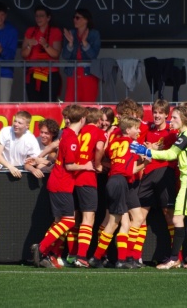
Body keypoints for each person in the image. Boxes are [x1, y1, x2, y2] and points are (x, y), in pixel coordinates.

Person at [131, 106, 187, 269]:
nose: (171, 120)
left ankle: (175, 258)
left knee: (178, 219)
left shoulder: (186, 135)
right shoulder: (184, 134)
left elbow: (170, 154)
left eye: (174, 118)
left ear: (184, 119)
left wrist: (147, 151)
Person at [31, 105, 94, 269]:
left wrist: (47, 160)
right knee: (68, 221)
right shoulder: (71, 137)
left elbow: (59, 154)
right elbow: (70, 165)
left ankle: (48, 254)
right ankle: (42, 247)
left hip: (58, 181)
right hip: (62, 183)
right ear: (82, 119)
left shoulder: (66, 133)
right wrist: (86, 166)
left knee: (59, 221)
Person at [88, 117, 147, 269]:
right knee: (114, 223)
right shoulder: (133, 144)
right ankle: (98, 257)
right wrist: (145, 163)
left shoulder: (114, 142)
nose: (139, 130)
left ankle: (126, 258)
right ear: (128, 130)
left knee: (132, 220)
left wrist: (101, 164)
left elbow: (107, 153)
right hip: (120, 182)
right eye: (136, 128)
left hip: (116, 182)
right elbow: (132, 169)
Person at [136, 99, 178, 265]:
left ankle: (176, 257)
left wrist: (155, 149)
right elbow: (138, 149)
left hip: (165, 175)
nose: (157, 115)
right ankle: (135, 255)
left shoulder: (171, 133)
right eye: (155, 112)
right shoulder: (147, 129)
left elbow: (173, 153)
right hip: (147, 176)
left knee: (169, 216)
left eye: (160, 113)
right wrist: (144, 153)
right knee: (139, 216)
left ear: (167, 115)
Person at [70, 107, 105, 267]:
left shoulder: (80, 132)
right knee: (88, 218)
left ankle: (72, 255)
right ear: (98, 121)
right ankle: (81, 256)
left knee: (75, 218)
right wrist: (97, 164)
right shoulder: (98, 132)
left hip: (75, 176)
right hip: (87, 178)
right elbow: (98, 148)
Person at [21, 5, 62, 102]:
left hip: (50, 73)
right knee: (34, 104)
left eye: (41, 16)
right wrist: (29, 46)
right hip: (33, 73)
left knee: (50, 103)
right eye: (37, 16)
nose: (38, 18)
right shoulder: (30, 31)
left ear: (48, 18)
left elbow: (56, 54)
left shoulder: (55, 31)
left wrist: (45, 45)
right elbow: (23, 54)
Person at [62, 8, 101, 102]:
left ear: (86, 20)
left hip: (89, 73)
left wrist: (84, 42)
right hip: (72, 73)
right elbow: (65, 56)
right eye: (74, 17)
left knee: (88, 103)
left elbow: (93, 56)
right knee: (71, 103)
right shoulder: (71, 33)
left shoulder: (94, 34)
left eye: (77, 18)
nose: (74, 20)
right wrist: (70, 43)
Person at [0, 111, 41, 178]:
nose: (16, 124)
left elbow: (34, 160)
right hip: (5, 169)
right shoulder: (5, 131)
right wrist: (10, 167)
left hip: (22, 171)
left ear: (27, 126)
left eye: (20, 123)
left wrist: (33, 169)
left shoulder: (31, 139)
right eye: (15, 121)